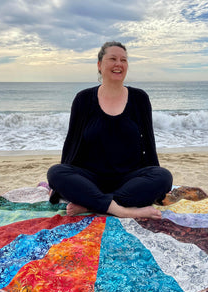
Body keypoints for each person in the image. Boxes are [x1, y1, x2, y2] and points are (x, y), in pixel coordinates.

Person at [47, 41, 172, 219]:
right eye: (112, 59)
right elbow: (71, 142)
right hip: (90, 179)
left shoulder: (140, 99)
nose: (118, 64)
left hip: (129, 179)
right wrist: (59, 185)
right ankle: (123, 210)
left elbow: (149, 143)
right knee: (55, 172)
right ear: (99, 65)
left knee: (164, 176)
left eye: (123, 60)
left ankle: (92, 204)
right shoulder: (83, 99)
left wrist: (156, 182)